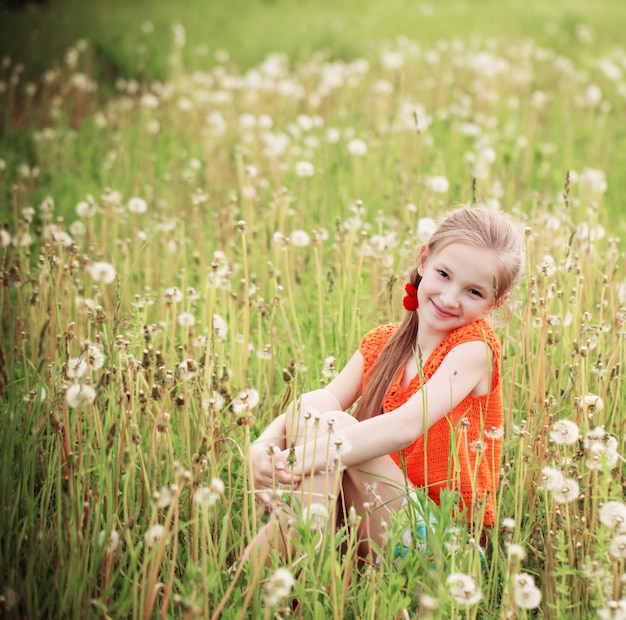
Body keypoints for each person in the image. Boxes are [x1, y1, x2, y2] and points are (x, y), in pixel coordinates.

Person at [246, 205, 525, 561]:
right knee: (317, 407)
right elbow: (312, 405)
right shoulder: (381, 343)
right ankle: (297, 579)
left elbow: (404, 426)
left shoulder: (474, 349)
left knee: (334, 429)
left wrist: (293, 462)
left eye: (474, 292)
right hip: (373, 515)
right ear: (423, 261)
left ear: (494, 304)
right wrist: (264, 449)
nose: (450, 297)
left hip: (445, 547)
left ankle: (259, 584)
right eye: (443, 274)